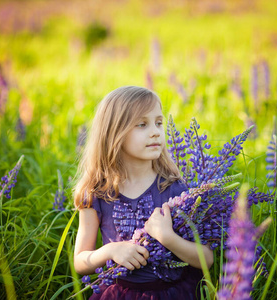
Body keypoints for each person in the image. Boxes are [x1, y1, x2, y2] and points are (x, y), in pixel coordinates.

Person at [73, 86, 214, 299]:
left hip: (171, 293)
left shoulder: (175, 189)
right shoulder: (96, 193)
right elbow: (80, 262)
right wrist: (110, 251)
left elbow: (206, 259)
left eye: (159, 123)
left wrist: (168, 237)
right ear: (114, 133)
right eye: (142, 124)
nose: (155, 131)